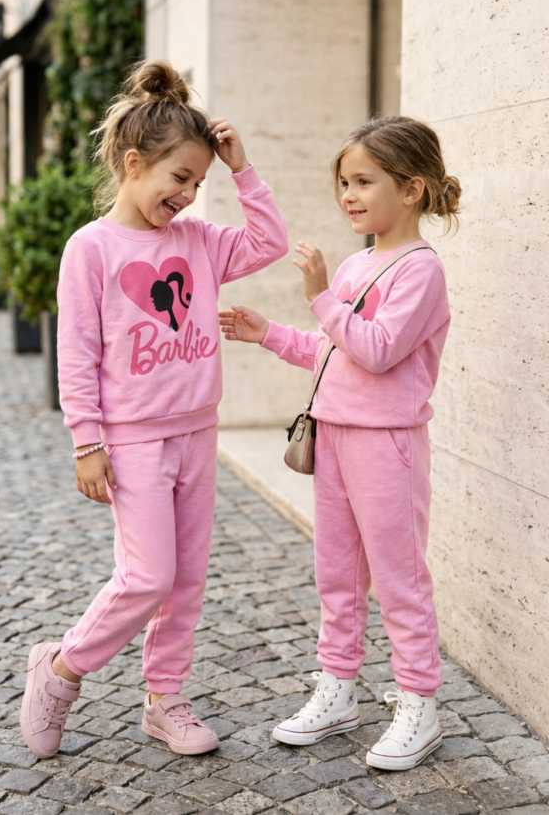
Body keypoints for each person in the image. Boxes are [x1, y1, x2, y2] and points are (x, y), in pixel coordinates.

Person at [20, 60, 288, 759]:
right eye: (181, 178)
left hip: (198, 432)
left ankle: (165, 698)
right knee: (148, 576)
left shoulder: (199, 241)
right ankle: (61, 669)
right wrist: (87, 442)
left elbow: (270, 243)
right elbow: (76, 353)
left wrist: (242, 170)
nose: (190, 196)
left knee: (186, 580)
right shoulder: (91, 249)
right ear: (134, 164)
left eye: (199, 183)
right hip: (132, 441)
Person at [219, 116, 461, 771]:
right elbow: (335, 352)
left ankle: (420, 701)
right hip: (336, 440)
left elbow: (377, 351)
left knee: (399, 577)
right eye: (344, 183)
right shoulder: (358, 263)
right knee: (337, 574)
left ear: (410, 189)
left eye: (363, 182)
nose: (348, 195)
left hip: (387, 446)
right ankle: (339, 688)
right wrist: (268, 332)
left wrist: (319, 296)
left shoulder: (420, 271)